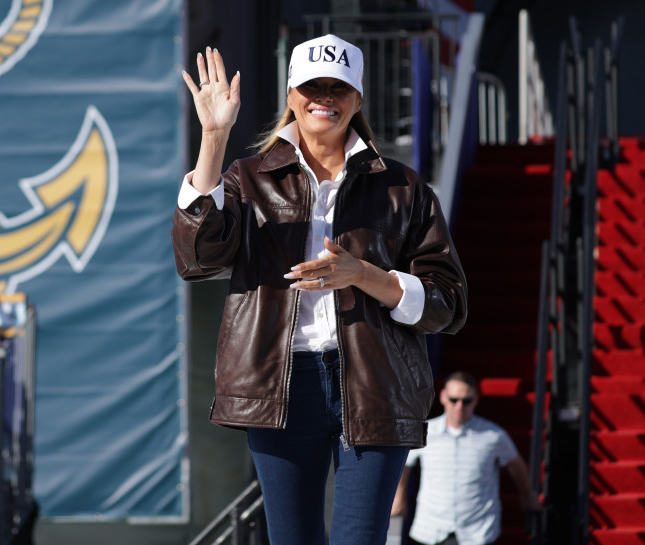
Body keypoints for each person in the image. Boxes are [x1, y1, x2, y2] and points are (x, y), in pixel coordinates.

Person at [171, 35, 468, 545]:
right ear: (291, 94)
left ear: (357, 99)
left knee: (359, 538)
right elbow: (197, 258)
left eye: (338, 87)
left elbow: (448, 304)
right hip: (279, 384)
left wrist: (365, 275)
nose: (324, 97)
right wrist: (214, 138)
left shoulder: (404, 187)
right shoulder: (245, 178)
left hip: (375, 383)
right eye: (312, 86)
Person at [393, 372, 542, 545]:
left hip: (478, 531)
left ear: (476, 400)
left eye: (466, 401)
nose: (459, 406)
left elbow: (515, 464)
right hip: (431, 528)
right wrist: (399, 498)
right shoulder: (426, 432)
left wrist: (526, 494)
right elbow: (405, 464)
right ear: (443, 397)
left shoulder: (493, 435)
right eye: (454, 399)